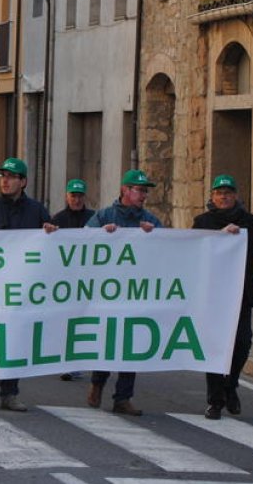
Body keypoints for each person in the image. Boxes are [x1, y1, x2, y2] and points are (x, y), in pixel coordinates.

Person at [194, 174, 253, 420]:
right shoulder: (203, 222)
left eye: (228, 193)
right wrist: (220, 236)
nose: (224, 197)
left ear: (236, 196)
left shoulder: (249, 222)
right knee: (214, 345)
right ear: (212, 197)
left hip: (241, 294)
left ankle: (230, 384)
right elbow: (194, 251)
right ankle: (215, 400)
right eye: (219, 193)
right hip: (213, 295)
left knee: (242, 342)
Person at [0, 157, 50, 412]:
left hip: (23, 287)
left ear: (23, 182)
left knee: (17, 338)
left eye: (11, 176)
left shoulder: (36, 211)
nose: (5, 180)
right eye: (2, 175)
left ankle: (9, 393)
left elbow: (50, 246)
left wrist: (51, 232)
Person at [84, 169, 164, 417]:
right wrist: (100, 234)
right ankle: (98, 382)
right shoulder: (105, 215)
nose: (143, 195)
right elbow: (82, 241)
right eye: (139, 190)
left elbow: (169, 249)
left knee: (132, 343)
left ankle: (123, 396)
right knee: (108, 340)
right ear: (125, 190)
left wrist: (155, 235)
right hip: (108, 291)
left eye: (145, 191)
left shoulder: (150, 219)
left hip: (134, 293)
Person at [47, 178, 96, 381]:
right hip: (65, 279)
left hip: (87, 278)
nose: (76, 199)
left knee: (84, 320)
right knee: (65, 320)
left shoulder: (94, 218)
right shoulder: (58, 219)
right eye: (73, 195)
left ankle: (80, 360)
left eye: (79, 196)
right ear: (66, 196)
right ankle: (66, 361)